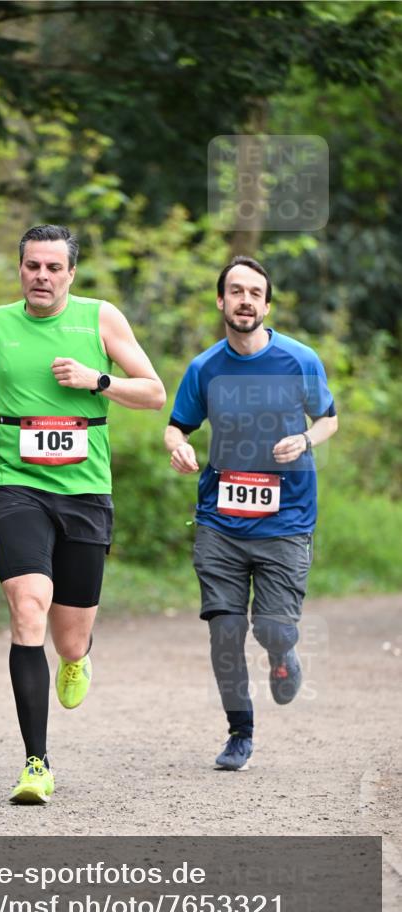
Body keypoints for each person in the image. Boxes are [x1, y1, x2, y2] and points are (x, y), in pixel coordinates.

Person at [0, 224, 165, 802]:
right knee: (28, 607)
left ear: (70, 273)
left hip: (85, 492)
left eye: (52, 268)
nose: (41, 276)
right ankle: (36, 764)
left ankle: (78, 658)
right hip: (17, 486)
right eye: (32, 266)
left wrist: (98, 380)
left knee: (69, 640)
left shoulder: (101, 319)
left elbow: (153, 393)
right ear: (20, 269)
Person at [165, 256, 338, 771]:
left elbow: (328, 419)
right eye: (236, 291)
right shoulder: (204, 368)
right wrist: (178, 447)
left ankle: (283, 654)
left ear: (266, 305)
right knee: (224, 630)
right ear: (221, 300)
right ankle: (239, 732)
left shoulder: (299, 359)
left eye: (255, 293)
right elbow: (177, 426)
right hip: (219, 520)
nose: (245, 301)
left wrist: (304, 439)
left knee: (273, 629)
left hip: (286, 520)